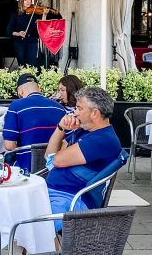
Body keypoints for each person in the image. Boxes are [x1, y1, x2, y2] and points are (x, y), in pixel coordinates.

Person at [44, 87, 123, 223]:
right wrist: (61, 128)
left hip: (73, 200)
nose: (75, 113)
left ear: (95, 113)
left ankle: (49, 243)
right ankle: (50, 244)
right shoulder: (84, 130)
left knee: (26, 221)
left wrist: (58, 155)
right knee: (17, 211)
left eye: (79, 108)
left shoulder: (102, 139)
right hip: (54, 194)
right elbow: (49, 156)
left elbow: (56, 160)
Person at [2, 73, 66, 171]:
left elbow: (9, 145)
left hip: (25, 168)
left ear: (20, 91)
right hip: (54, 168)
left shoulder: (16, 106)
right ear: (39, 88)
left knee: (1, 159)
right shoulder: (60, 108)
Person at [7, 0, 43, 67]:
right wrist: (18, 33)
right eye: (25, 0)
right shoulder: (15, 14)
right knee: (22, 65)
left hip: (32, 41)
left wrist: (44, 14)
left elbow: (42, 26)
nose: (28, 1)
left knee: (31, 64)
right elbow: (8, 31)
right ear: (21, 1)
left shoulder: (35, 13)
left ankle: (30, 78)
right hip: (20, 42)